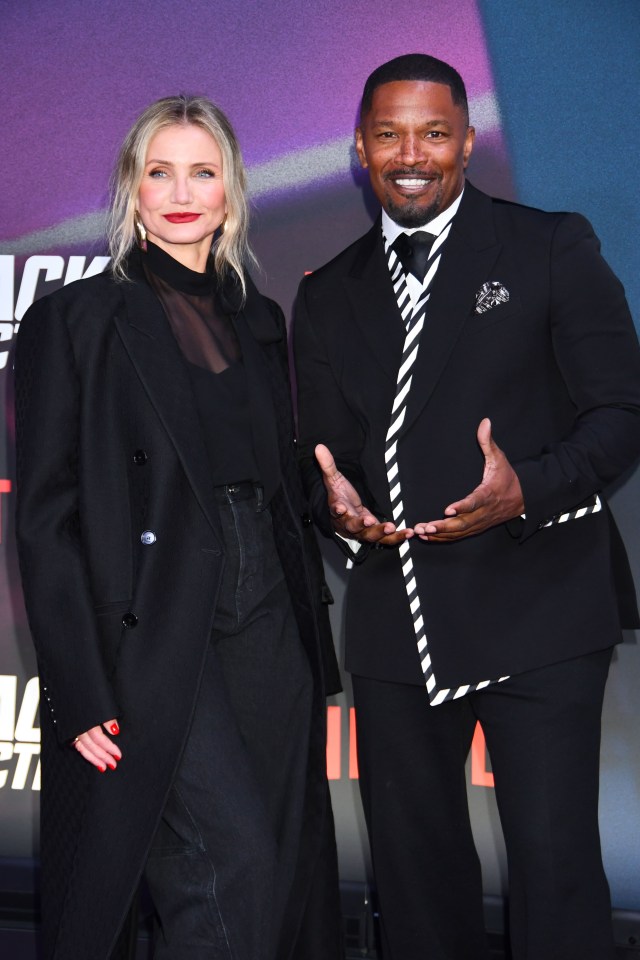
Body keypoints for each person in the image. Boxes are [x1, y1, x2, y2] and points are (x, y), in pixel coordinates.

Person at [293, 53, 640, 960]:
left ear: (468, 143)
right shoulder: (327, 295)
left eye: (434, 133)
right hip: (395, 621)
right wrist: (340, 510)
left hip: (542, 601)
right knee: (414, 874)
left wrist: (529, 486)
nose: (413, 154)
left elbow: (623, 414)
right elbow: (322, 458)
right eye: (389, 134)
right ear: (360, 151)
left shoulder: (550, 245)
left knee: (554, 865)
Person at [15, 95, 344, 960]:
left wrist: (339, 505)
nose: (181, 191)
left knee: (276, 862)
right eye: (159, 172)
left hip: (267, 610)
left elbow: (274, 483)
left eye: (202, 172)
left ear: (231, 192)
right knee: (227, 862)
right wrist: (78, 686)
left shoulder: (260, 321)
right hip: (156, 621)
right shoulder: (77, 321)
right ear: (131, 190)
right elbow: (46, 519)